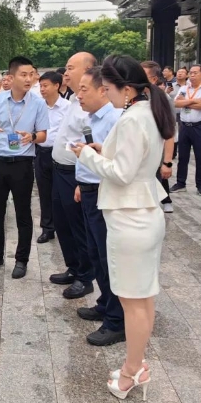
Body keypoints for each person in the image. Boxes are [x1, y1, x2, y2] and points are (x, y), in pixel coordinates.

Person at [72, 54, 175, 401]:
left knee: (133, 302)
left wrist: (87, 155)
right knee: (142, 298)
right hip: (143, 212)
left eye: (107, 88)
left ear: (126, 89)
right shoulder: (147, 112)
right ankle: (136, 363)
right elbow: (135, 160)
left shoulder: (132, 118)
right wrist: (104, 150)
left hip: (131, 216)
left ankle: (132, 371)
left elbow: (121, 173)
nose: (105, 93)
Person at [0, 56, 49, 279]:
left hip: (22, 164)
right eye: (23, 74)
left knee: (23, 213)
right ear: (12, 76)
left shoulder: (38, 103)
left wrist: (33, 136)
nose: (29, 79)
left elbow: (43, 134)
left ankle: (22, 259)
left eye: (31, 75)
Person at [74, 66, 125, 346]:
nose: (78, 95)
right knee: (95, 253)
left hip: (105, 193)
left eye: (84, 89)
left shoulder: (116, 119)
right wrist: (82, 182)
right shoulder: (93, 118)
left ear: (102, 90)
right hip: (90, 189)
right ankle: (106, 303)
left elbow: (115, 163)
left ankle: (117, 321)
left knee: (108, 257)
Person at [50, 52, 97, 299]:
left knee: (78, 226)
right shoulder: (72, 100)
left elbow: (90, 144)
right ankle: (73, 266)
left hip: (74, 174)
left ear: (88, 70)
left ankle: (85, 277)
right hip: (59, 170)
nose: (65, 73)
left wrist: (82, 179)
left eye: (70, 68)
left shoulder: (91, 106)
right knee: (62, 223)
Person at [34, 71, 71, 243]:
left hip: (60, 155)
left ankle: (63, 226)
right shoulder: (38, 106)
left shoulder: (68, 107)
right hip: (41, 153)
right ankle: (47, 228)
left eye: (45, 85)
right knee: (44, 192)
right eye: (40, 86)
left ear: (57, 85)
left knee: (59, 194)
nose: (42, 89)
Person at [171, 64, 201, 196]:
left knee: (200, 157)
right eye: (191, 73)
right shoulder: (184, 88)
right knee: (182, 157)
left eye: (195, 73)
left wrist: (186, 102)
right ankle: (180, 183)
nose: (192, 75)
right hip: (184, 126)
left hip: (200, 127)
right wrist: (194, 101)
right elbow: (176, 103)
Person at [142, 61, 175, 213]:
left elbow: (169, 132)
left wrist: (167, 162)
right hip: (140, 153)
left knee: (158, 180)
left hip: (156, 150)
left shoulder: (162, 99)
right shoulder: (135, 96)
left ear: (154, 79)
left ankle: (165, 201)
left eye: (142, 75)